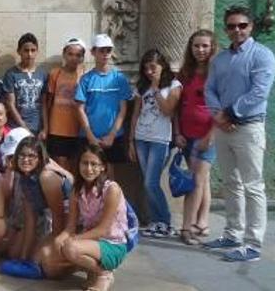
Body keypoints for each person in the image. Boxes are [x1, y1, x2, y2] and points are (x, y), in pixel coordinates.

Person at [203, 6, 275, 262]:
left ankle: (253, 243)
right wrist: (218, 116)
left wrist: (231, 113)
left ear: (251, 26)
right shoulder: (220, 59)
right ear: (226, 29)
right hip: (224, 128)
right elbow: (209, 90)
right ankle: (232, 233)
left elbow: (259, 92)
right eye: (232, 26)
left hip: (248, 127)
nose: (237, 30)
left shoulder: (262, 56)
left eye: (242, 25)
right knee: (230, 183)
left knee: (253, 185)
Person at [53, 145, 130, 291]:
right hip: (90, 242)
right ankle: (93, 271)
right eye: (85, 163)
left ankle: (104, 273)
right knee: (55, 252)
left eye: (94, 164)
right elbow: (70, 227)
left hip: (113, 244)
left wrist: (74, 239)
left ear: (103, 167)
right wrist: (59, 239)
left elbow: (102, 230)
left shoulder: (111, 189)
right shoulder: (76, 190)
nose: (88, 169)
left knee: (71, 247)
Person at [128, 49, 181, 238]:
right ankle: (155, 221)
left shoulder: (174, 85)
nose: (149, 72)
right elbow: (135, 114)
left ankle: (165, 222)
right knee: (147, 182)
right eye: (146, 68)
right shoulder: (142, 87)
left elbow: (168, 110)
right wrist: (131, 141)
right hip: (142, 137)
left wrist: (157, 87)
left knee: (151, 183)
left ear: (162, 66)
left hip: (160, 139)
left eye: (153, 67)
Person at [174, 30, 217, 246]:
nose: (200, 50)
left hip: (206, 135)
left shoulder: (217, 74)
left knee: (196, 181)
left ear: (212, 48)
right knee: (203, 180)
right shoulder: (185, 73)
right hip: (187, 133)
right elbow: (177, 106)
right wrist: (178, 132)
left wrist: (211, 136)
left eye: (205, 46)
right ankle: (203, 222)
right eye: (196, 46)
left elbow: (222, 108)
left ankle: (187, 227)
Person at [13, 136, 73, 277]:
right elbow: (30, 221)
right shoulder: (24, 178)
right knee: (17, 254)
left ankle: (85, 267)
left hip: (75, 225)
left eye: (31, 156)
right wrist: (23, 259)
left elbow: (59, 218)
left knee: (46, 264)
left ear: (40, 158)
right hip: (61, 223)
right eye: (22, 155)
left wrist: (53, 248)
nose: (25, 159)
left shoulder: (47, 176)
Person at [75, 34, 133, 172]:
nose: (105, 54)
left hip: (114, 137)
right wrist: (91, 137)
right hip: (89, 137)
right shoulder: (86, 79)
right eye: (101, 50)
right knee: (88, 172)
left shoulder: (119, 78)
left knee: (109, 173)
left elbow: (123, 109)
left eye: (108, 50)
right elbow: (79, 109)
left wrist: (112, 135)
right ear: (93, 52)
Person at [45, 37, 87, 173]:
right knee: (61, 168)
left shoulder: (85, 75)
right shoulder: (55, 74)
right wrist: (46, 127)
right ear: (64, 54)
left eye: (78, 55)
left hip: (78, 129)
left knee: (76, 166)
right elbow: (47, 103)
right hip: (57, 129)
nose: (74, 58)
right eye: (70, 54)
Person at [0, 127, 32, 260]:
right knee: (1, 248)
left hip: (37, 222)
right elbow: (6, 194)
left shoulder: (40, 172)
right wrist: (10, 170)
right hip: (17, 218)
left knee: (15, 254)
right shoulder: (15, 168)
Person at [4, 33, 48, 135]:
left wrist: (45, 128)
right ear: (19, 51)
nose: (29, 54)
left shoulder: (43, 74)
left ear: (37, 51)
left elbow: (44, 104)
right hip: (16, 127)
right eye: (26, 50)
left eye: (33, 50)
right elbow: (10, 104)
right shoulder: (11, 74)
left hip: (37, 127)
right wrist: (24, 127)